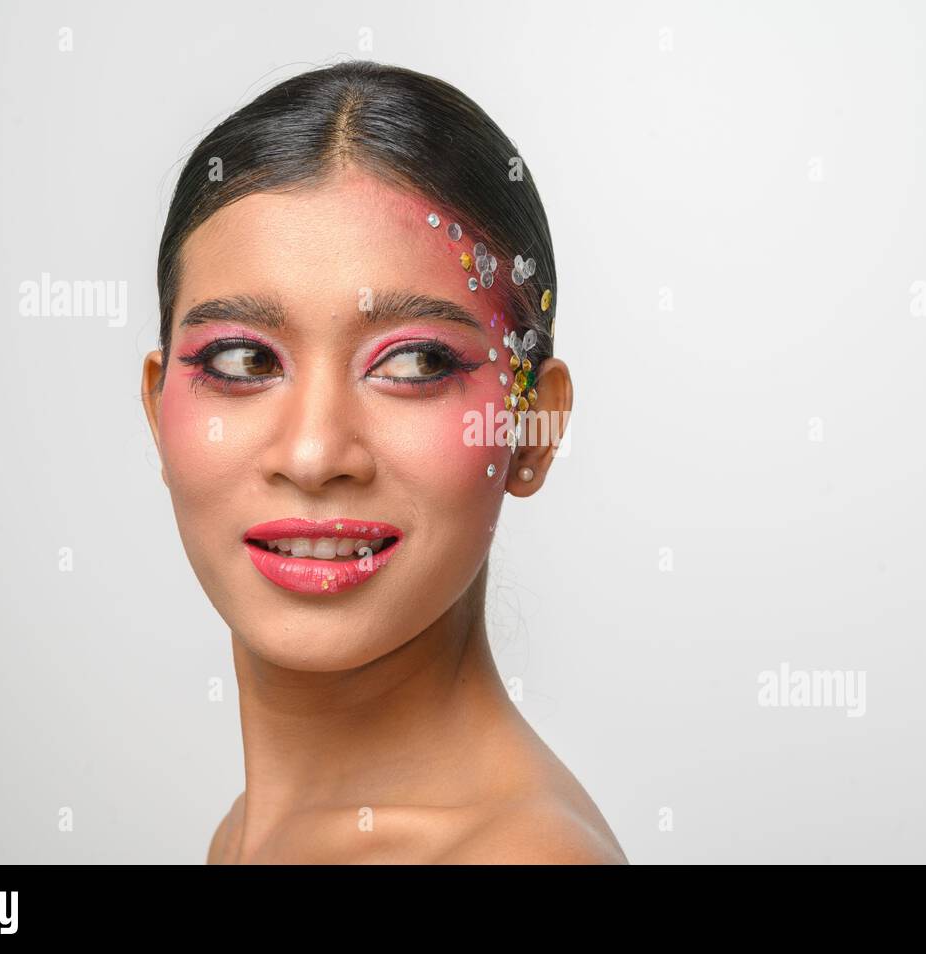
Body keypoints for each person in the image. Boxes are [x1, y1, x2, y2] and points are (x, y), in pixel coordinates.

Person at [139, 60, 626, 864]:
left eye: (414, 365)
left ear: (534, 428)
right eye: (241, 361)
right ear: (159, 412)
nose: (314, 453)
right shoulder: (248, 837)